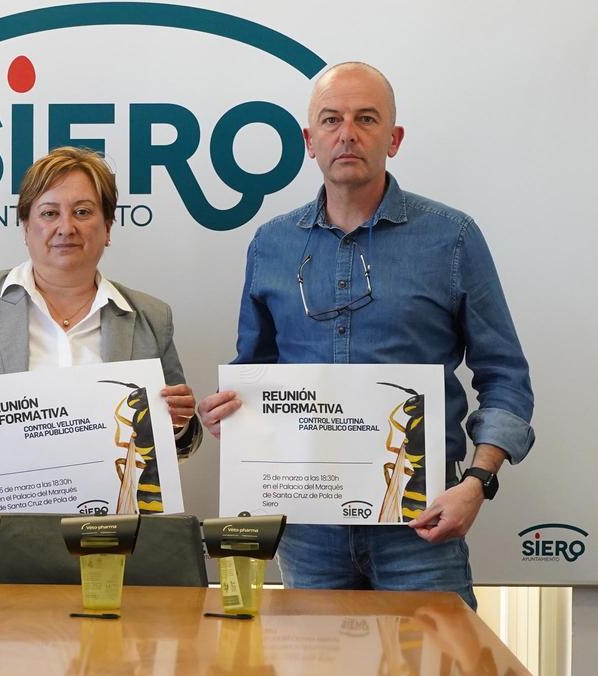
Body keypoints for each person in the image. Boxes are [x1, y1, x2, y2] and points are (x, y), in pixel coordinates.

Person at [197, 62, 534, 609]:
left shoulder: (451, 238)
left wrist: (477, 483)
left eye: (366, 119)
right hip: (308, 528)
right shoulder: (271, 245)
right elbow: (253, 368)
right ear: (310, 141)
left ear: (393, 139)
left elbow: (506, 378)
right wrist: (231, 414)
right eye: (331, 120)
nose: (347, 133)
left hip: (420, 525)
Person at [0, 146, 203, 520]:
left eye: (82, 212)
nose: (66, 227)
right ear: (26, 226)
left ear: (108, 227)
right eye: (49, 213)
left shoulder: (150, 316)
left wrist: (178, 423)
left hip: (116, 528)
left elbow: (181, 438)